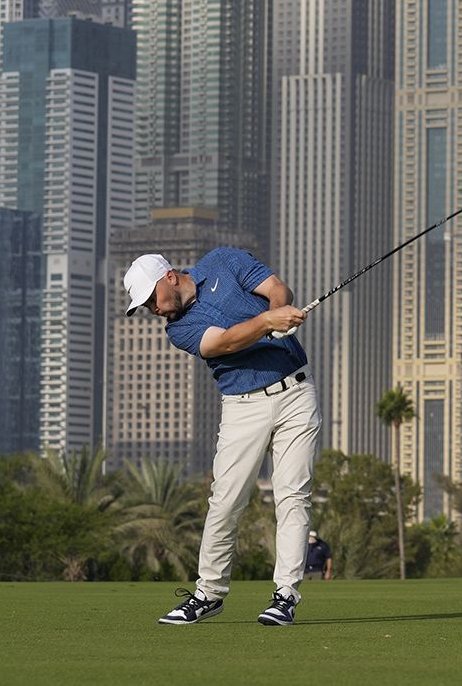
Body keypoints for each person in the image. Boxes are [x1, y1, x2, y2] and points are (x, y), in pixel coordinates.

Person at [124, 248, 318, 626]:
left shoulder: (222, 261)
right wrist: (267, 321)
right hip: (243, 406)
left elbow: (277, 289)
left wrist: (281, 314)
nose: (153, 310)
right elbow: (226, 342)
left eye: (151, 300)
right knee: (226, 501)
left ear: (169, 278)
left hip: (297, 391)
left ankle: (285, 596)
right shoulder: (179, 330)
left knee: (293, 494)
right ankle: (209, 594)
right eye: (146, 306)